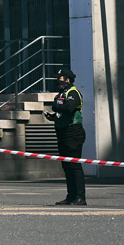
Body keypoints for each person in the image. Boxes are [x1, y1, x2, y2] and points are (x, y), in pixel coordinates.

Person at [45, 67, 86, 206]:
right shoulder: (62, 93)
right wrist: (52, 116)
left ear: (67, 80)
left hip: (73, 133)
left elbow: (69, 108)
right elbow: (61, 111)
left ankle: (80, 197)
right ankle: (71, 196)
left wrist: (56, 107)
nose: (58, 81)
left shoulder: (73, 92)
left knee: (74, 165)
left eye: (60, 79)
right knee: (66, 166)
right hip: (62, 132)